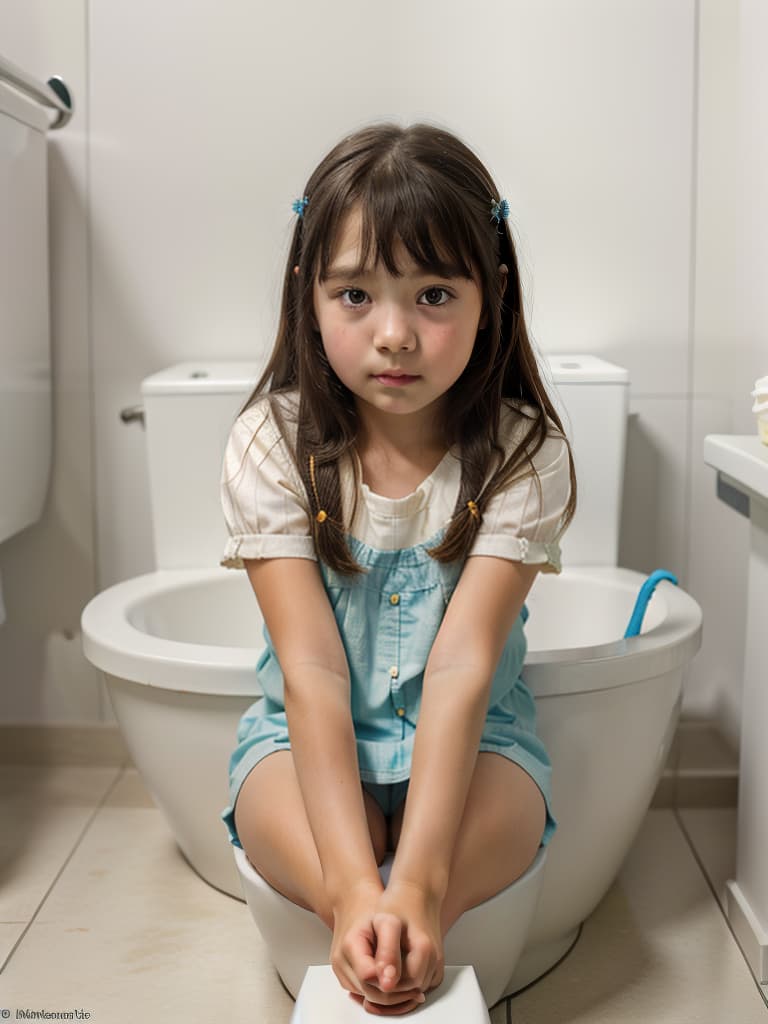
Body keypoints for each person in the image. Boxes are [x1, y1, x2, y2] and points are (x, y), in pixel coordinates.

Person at [219, 121, 576, 1015]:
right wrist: (350, 879)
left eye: (432, 294)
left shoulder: (523, 452)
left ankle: (405, 925)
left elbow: (461, 670)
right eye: (355, 296)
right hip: (302, 737)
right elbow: (310, 669)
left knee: (489, 824)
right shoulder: (273, 444)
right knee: (281, 810)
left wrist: (419, 885)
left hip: (477, 743)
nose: (395, 335)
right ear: (310, 297)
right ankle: (359, 915)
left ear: (491, 295)